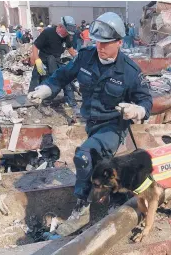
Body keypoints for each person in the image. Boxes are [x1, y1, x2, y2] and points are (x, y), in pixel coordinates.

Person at [27, 12, 152, 235]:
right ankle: (117, 196)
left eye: (105, 43)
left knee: (83, 156)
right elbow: (63, 75)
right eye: (97, 42)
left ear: (119, 43)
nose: (100, 47)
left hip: (113, 127)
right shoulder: (86, 57)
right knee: (99, 164)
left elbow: (145, 100)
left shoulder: (130, 72)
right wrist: (46, 88)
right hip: (91, 124)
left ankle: (82, 209)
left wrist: (138, 110)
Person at [28, 16, 78, 115]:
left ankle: (70, 105)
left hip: (55, 61)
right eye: (66, 32)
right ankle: (37, 106)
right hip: (43, 61)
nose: (67, 34)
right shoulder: (48, 33)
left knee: (62, 82)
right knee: (38, 85)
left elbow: (70, 49)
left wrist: (79, 58)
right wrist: (37, 60)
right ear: (60, 26)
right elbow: (35, 46)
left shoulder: (66, 36)